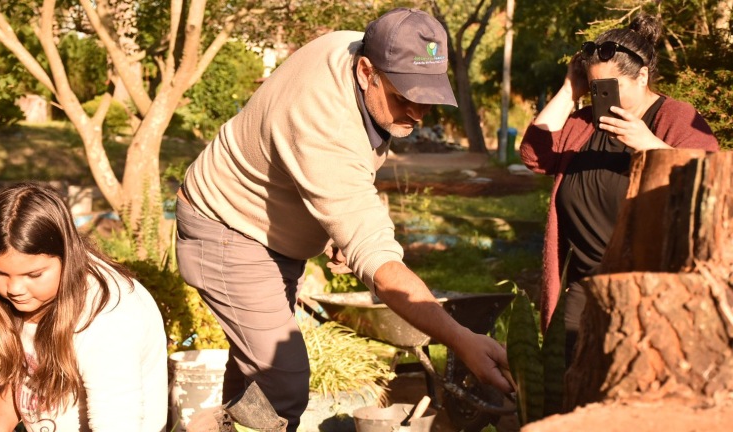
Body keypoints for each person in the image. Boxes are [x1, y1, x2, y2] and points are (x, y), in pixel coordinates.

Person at [175, 7, 513, 429]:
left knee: (255, 374)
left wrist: (332, 223)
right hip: (229, 230)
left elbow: (336, 172)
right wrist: (461, 339)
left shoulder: (357, 47)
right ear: (367, 71)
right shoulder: (324, 120)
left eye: (427, 98)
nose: (418, 113)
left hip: (266, 227)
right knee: (283, 380)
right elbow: (374, 252)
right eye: (405, 98)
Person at [519, 14, 719, 362]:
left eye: (612, 86)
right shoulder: (585, 123)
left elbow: (710, 179)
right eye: (595, 86)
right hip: (583, 287)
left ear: (642, 77)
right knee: (568, 389)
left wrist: (650, 144)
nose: (602, 95)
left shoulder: (673, 118)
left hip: (646, 292)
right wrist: (570, 88)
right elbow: (534, 156)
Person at [0, 183, 168, 432]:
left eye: (34, 274)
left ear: (67, 255)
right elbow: (16, 376)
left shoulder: (109, 320)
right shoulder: (33, 292)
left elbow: (116, 423)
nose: (14, 288)